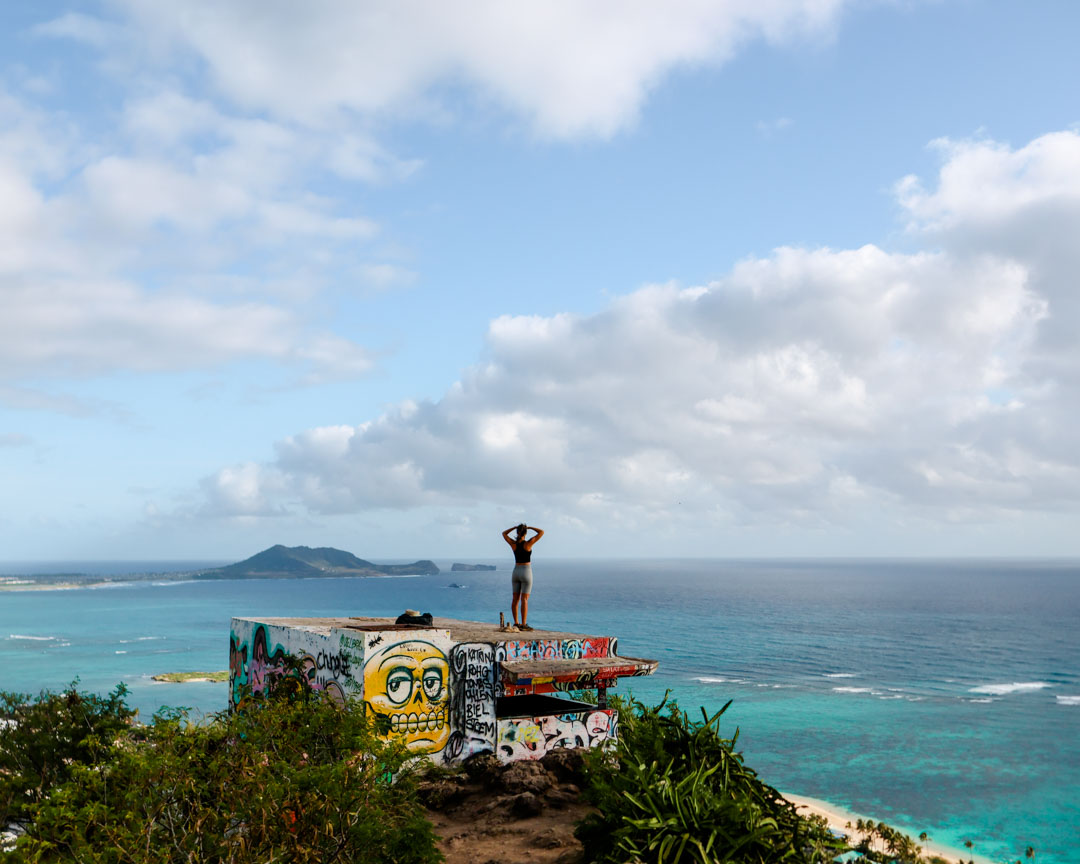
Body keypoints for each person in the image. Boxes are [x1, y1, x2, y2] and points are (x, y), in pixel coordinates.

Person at [501, 523, 543, 630]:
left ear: (517, 532)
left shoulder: (513, 544)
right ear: (525, 532)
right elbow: (541, 532)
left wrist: (514, 527)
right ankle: (523, 624)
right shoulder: (528, 544)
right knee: (524, 599)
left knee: (515, 599)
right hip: (526, 571)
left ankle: (516, 623)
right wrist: (530, 527)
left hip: (516, 572)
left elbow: (504, 533)